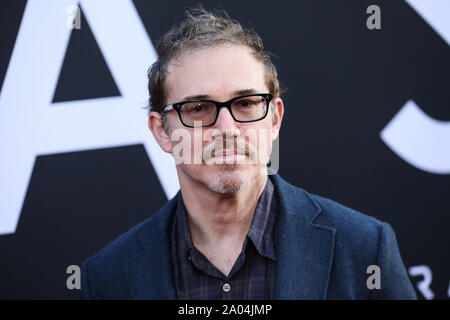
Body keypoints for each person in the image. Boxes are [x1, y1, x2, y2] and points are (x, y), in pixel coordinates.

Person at [79, 7, 416, 300]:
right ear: (161, 131)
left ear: (275, 118)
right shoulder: (108, 276)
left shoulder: (365, 249)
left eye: (245, 103)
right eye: (198, 108)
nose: (227, 128)